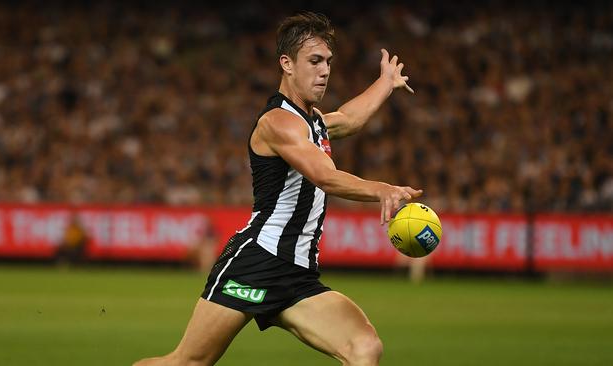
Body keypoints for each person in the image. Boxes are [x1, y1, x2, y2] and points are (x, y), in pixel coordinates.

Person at [134, 12, 421, 366]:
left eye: (328, 62)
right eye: (314, 61)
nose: (325, 71)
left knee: (364, 347)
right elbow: (324, 176)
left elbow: (349, 118)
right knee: (186, 363)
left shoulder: (312, 122)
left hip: (297, 275)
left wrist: (385, 82)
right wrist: (380, 189)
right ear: (286, 64)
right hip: (256, 262)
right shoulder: (278, 122)